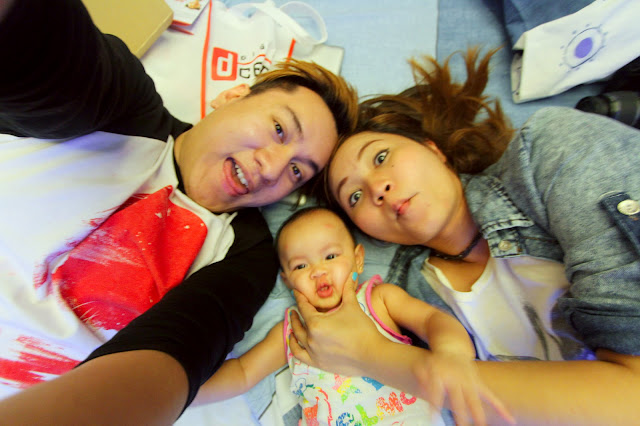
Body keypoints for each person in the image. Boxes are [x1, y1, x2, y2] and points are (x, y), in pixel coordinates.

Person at [0, 0, 357, 422]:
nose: (272, 167)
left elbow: (172, 358)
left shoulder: (246, 252)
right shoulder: (125, 107)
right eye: (279, 129)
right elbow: (39, 44)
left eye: (297, 171)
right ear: (232, 97)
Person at [288, 48, 640, 425]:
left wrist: (370, 355)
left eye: (380, 157)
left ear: (432, 149)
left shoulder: (550, 150)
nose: (376, 188)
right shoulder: (408, 297)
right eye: (354, 196)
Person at [193, 207, 512, 426]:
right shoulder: (293, 329)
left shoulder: (378, 300)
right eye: (301, 265)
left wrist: (452, 354)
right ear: (287, 281)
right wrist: (185, 395)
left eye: (331, 256)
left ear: (358, 259)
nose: (318, 271)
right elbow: (244, 373)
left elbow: (433, 320)